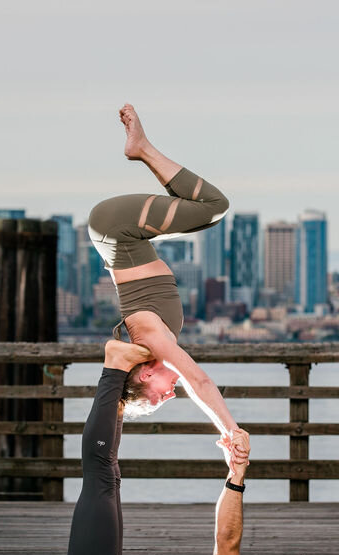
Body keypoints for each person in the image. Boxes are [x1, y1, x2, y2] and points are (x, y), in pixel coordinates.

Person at [58, 340, 314, 555]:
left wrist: (237, 476)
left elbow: (226, 540)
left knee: (102, 475)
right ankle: (120, 380)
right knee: (110, 476)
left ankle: (115, 368)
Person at [87, 104, 242, 444]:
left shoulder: (150, 340)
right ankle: (141, 148)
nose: (170, 396)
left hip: (116, 229)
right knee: (205, 214)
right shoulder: (152, 340)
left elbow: (199, 382)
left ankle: (142, 148)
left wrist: (230, 432)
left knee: (213, 206)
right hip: (118, 236)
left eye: (156, 398)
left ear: (145, 373)